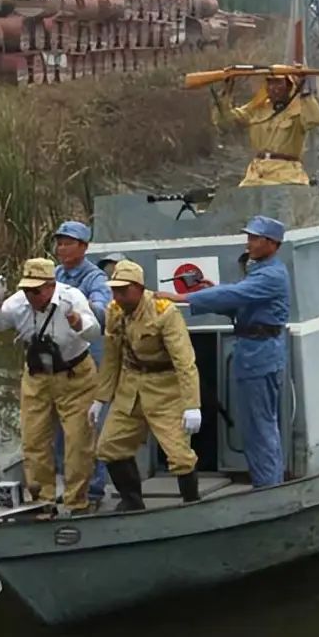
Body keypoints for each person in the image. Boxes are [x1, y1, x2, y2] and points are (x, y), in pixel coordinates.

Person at [159, 215, 289, 488]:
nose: (249, 243)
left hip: (260, 355)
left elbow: (237, 295)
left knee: (260, 427)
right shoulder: (259, 271)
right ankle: (265, 483)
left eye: (254, 238)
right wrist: (212, 292)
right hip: (252, 353)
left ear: (272, 243)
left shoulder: (272, 275)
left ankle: (269, 489)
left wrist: (184, 298)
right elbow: (236, 301)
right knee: (254, 427)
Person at [0, 258, 101, 511]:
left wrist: (74, 319)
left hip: (75, 375)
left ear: (51, 285)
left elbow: (94, 332)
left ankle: (77, 502)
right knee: (34, 441)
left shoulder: (71, 296)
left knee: (77, 443)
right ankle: (42, 502)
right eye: (26, 289)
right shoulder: (19, 302)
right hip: (37, 378)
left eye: (36, 290)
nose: (31, 295)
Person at [89, 260, 203, 511]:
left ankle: (192, 505)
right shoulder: (114, 311)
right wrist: (101, 398)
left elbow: (184, 361)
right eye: (114, 290)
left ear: (139, 288)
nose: (118, 296)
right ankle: (132, 502)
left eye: (123, 290)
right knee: (109, 447)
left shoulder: (164, 311)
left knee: (180, 456)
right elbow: (111, 357)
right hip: (130, 387)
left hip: (165, 389)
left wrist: (192, 404)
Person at [52, 221, 112, 505]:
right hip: (59, 363)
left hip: (89, 360)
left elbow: (102, 308)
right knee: (62, 428)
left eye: (68, 243)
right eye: (59, 242)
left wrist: (84, 311)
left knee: (89, 426)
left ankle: (95, 489)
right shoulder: (55, 274)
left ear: (84, 247)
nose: (62, 248)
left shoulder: (94, 278)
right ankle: (67, 484)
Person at [214, 75, 319, 186]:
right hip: (256, 175)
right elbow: (225, 121)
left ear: (289, 86)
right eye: (270, 83)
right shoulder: (257, 108)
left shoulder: (299, 107)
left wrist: (304, 92)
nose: (273, 87)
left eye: (278, 83)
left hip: (287, 175)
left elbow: (315, 119)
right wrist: (225, 93)